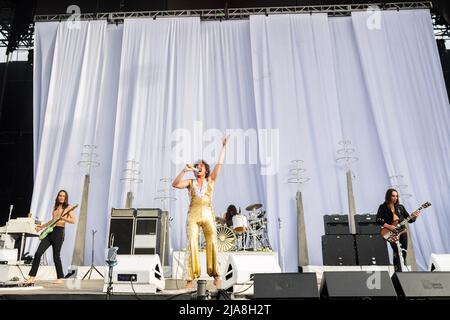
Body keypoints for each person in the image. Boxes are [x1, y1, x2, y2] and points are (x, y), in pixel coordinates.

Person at [172, 136, 228, 289]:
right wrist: (185, 170)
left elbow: (219, 164)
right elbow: (175, 184)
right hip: (193, 216)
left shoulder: (211, 180)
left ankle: (216, 275)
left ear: (205, 170)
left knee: (213, 242)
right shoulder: (190, 182)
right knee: (192, 244)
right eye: (196, 166)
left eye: (200, 166)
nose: (198, 167)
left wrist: (224, 147)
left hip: (208, 215)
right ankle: (190, 279)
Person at [24, 190, 76, 284]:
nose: (61, 197)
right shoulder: (55, 207)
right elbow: (52, 220)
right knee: (38, 253)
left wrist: (63, 218)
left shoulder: (69, 207)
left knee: (56, 256)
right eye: (60, 195)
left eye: (63, 196)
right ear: (58, 197)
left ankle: (60, 278)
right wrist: (42, 227)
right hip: (50, 232)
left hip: (59, 233)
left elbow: (73, 221)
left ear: (65, 198)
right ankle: (32, 277)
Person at [376, 188, 420, 272]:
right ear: (388, 196)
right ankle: (397, 270)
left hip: (402, 232)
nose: (395, 197)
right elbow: (378, 220)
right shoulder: (383, 207)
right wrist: (389, 226)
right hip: (391, 232)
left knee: (403, 251)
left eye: (396, 196)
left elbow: (409, 220)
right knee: (396, 251)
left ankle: (402, 268)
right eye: (393, 196)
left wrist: (415, 216)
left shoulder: (401, 207)